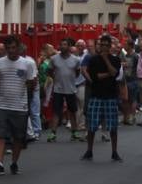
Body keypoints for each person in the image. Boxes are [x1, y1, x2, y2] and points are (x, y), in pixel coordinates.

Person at [0, 35, 37, 176]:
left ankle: (14, 162)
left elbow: (31, 83)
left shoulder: (27, 63)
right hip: (2, 105)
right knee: (0, 135)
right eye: (8, 48)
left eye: (13, 47)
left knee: (18, 137)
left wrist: (21, 96)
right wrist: (3, 94)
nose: (11, 50)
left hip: (19, 106)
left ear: (18, 47)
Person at [80, 35, 123, 163]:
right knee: (92, 125)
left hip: (110, 95)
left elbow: (115, 73)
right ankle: (89, 150)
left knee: (113, 126)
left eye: (105, 45)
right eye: (101, 44)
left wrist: (106, 60)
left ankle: (114, 152)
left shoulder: (116, 59)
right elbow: (95, 76)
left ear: (110, 46)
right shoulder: (93, 60)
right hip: (96, 95)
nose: (103, 47)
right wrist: (109, 73)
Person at [49, 39, 84, 142]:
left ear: (69, 47)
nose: (62, 46)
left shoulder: (76, 60)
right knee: (56, 111)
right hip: (58, 89)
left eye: (65, 45)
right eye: (61, 44)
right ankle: (53, 133)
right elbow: (50, 71)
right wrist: (55, 79)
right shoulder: (54, 59)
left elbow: (77, 72)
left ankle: (74, 132)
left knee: (72, 111)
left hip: (71, 89)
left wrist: (71, 80)